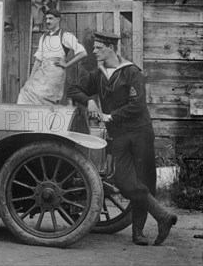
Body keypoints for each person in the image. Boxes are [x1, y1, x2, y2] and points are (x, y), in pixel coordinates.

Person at [67, 31, 178, 246]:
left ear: (111, 48)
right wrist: (89, 100)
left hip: (140, 133)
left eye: (99, 47)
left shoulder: (131, 71)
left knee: (144, 180)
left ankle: (139, 233)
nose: (94, 51)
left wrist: (111, 116)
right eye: (94, 47)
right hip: (118, 136)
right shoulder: (97, 74)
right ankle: (163, 217)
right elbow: (73, 88)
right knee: (124, 181)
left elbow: (137, 105)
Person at [17, 9, 86, 105]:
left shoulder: (65, 35)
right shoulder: (44, 37)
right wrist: (30, 79)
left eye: (51, 19)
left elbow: (83, 53)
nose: (48, 21)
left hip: (55, 73)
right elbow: (38, 59)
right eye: (46, 19)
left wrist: (66, 65)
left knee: (41, 97)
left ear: (58, 20)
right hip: (42, 71)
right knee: (25, 92)